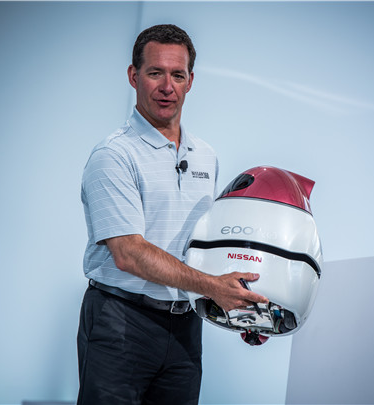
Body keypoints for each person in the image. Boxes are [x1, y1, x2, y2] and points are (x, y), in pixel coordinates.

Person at [77, 24, 268, 405]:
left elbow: (203, 249)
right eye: (155, 73)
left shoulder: (206, 156)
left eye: (177, 75)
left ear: (190, 81)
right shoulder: (114, 155)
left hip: (185, 325)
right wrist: (213, 287)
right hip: (120, 321)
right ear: (133, 76)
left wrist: (246, 308)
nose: (167, 87)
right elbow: (128, 253)